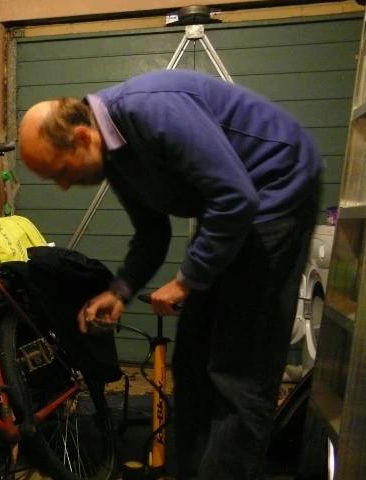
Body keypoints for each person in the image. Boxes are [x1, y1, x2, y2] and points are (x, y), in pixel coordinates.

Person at [18, 69, 321, 480]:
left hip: (276, 194)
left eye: (61, 172)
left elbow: (236, 198)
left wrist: (185, 280)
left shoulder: (152, 110)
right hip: (230, 212)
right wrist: (121, 290)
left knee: (238, 376)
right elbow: (152, 231)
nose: (64, 187)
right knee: (193, 366)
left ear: (82, 138)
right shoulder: (115, 151)